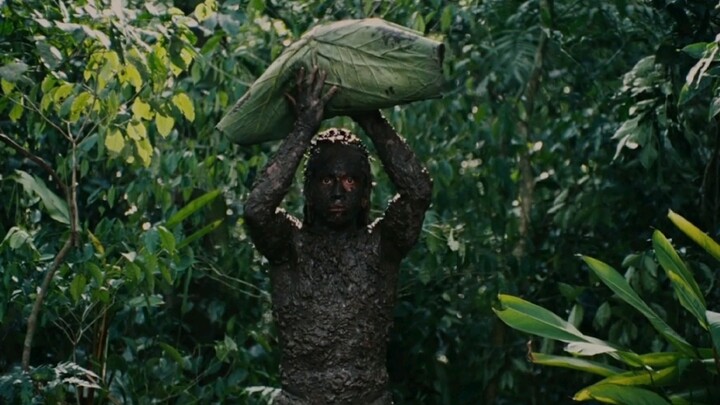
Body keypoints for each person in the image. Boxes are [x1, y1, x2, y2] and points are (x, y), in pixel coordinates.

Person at [244, 67, 432, 405]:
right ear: (309, 189)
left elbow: (417, 191)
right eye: (327, 180)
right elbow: (257, 210)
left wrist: (370, 117)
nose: (337, 192)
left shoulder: (382, 244)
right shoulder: (289, 245)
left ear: (364, 192)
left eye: (349, 181)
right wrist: (304, 127)